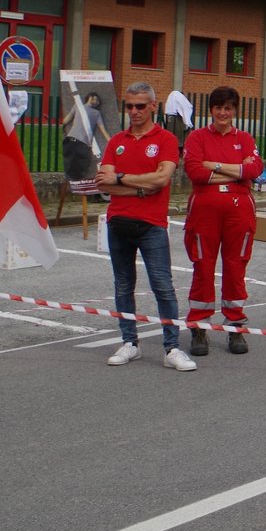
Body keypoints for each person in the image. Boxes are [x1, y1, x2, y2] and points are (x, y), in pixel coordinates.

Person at [96, 82, 192, 371]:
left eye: (140, 106)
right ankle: (130, 343)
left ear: (153, 106)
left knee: (163, 286)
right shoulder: (116, 141)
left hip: (152, 225)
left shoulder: (164, 140)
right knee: (123, 285)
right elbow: (105, 184)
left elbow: (162, 180)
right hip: (119, 222)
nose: (134, 111)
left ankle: (171, 347)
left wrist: (122, 179)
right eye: (129, 106)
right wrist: (140, 186)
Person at [181, 85, 261, 357]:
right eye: (218, 107)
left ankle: (235, 325)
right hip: (204, 209)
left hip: (240, 210)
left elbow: (255, 170)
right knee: (202, 265)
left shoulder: (246, 139)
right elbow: (194, 171)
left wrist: (212, 165)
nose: (223, 113)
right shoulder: (197, 137)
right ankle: (199, 326)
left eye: (228, 108)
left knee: (236, 264)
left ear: (235, 110)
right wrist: (237, 172)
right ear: (211, 110)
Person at [61, 90, 109, 180]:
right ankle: (70, 187)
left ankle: (71, 188)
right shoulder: (81, 107)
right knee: (76, 168)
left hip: (74, 141)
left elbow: (103, 130)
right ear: (91, 97)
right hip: (79, 143)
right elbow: (66, 120)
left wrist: (111, 141)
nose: (98, 103)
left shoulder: (95, 112)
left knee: (72, 167)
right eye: (97, 100)